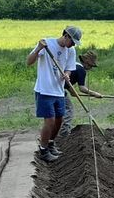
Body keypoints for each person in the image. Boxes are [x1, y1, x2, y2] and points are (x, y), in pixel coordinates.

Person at [26, 25, 82, 162]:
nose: (73, 44)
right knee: (49, 120)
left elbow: (69, 68)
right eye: (72, 41)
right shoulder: (46, 44)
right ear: (66, 36)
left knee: (59, 120)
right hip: (44, 89)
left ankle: (50, 143)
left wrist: (67, 75)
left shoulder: (71, 50)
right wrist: (38, 49)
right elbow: (29, 62)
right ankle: (43, 150)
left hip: (59, 90)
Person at [60, 50, 102, 136]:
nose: (91, 68)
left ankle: (57, 132)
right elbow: (82, 88)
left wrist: (73, 92)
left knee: (60, 111)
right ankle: (64, 133)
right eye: (91, 66)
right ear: (87, 63)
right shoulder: (81, 70)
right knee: (69, 109)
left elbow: (67, 83)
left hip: (57, 89)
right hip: (59, 90)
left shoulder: (74, 65)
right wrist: (95, 94)